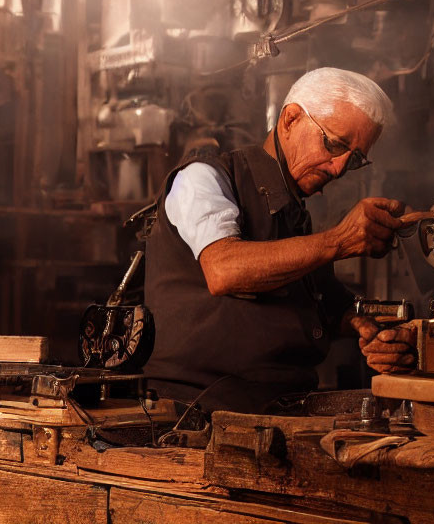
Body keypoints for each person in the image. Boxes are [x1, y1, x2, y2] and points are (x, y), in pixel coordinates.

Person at [144, 67, 417, 413]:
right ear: (290, 119)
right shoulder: (203, 179)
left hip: (280, 406)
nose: (338, 169)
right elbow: (224, 269)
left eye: (355, 159)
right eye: (334, 144)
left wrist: (366, 328)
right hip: (197, 412)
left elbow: (316, 304)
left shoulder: (292, 213)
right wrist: (339, 241)